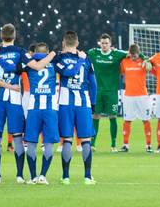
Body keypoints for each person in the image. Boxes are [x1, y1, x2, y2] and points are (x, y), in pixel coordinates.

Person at [0, 23, 49, 183]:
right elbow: (36, 66)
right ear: (14, 36)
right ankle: (20, 175)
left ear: (1, 36)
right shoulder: (20, 52)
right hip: (14, 99)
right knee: (17, 137)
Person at [54, 32, 96, 184]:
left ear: (64, 42)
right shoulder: (86, 59)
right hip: (83, 103)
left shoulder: (58, 58)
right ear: (77, 43)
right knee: (86, 140)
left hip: (66, 103)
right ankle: (87, 176)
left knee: (67, 140)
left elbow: (66, 72)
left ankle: (65, 177)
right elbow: (93, 82)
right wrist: (93, 104)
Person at [22, 43, 59, 184]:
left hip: (34, 108)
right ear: (48, 52)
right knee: (48, 143)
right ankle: (43, 176)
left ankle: (32, 177)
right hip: (50, 108)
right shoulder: (54, 63)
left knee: (31, 143)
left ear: (35, 52)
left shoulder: (29, 64)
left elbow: (16, 69)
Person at [86, 33, 124, 151]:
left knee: (112, 116)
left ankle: (113, 145)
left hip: (112, 92)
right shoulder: (94, 53)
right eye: (102, 43)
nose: (104, 45)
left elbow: (132, 53)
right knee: (95, 115)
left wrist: (144, 58)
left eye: (106, 43)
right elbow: (85, 53)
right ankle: (92, 144)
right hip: (97, 92)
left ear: (110, 44)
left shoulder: (117, 54)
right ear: (100, 44)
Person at [120, 44, 153, 152]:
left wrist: (145, 59)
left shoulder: (144, 62)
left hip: (142, 96)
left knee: (146, 120)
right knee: (127, 120)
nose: (133, 57)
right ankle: (125, 145)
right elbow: (120, 72)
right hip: (129, 95)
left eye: (135, 55)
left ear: (138, 54)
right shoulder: (124, 62)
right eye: (132, 55)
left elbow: (150, 68)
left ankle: (148, 145)